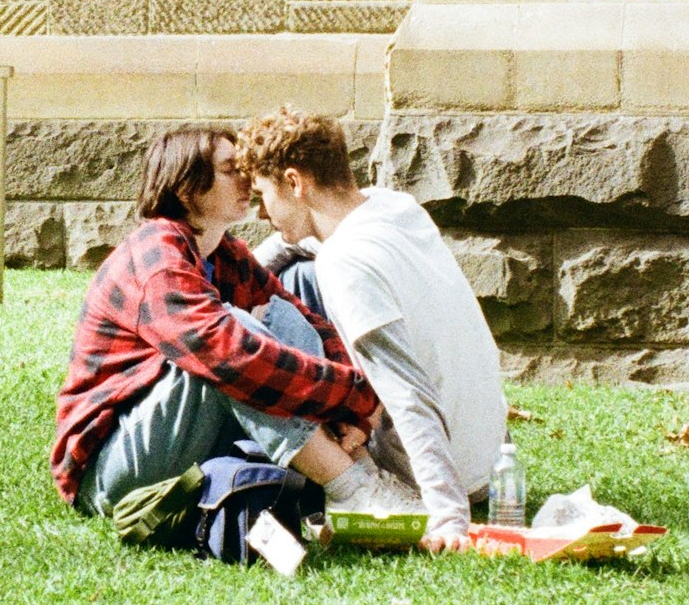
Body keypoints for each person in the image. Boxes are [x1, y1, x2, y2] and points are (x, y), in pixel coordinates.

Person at [50, 125, 410, 519]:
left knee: (283, 318)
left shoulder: (226, 254)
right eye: (230, 169)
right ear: (186, 186)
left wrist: (352, 410)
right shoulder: (155, 255)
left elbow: (309, 323)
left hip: (182, 437)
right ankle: (350, 487)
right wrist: (354, 392)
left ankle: (359, 471)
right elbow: (228, 356)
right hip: (111, 472)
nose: (248, 179)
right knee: (233, 344)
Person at [229, 109, 508, 553]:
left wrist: (449, 517)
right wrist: (234, 272)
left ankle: (360, 482)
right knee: (298, 274)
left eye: (264, 195)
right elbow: (292, 242)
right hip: (487, 463)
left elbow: (409, 393)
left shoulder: (347, 263)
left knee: (231, 347)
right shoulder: (393, 207)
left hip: (432, 475)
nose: (262, 212)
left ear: (295, 182)